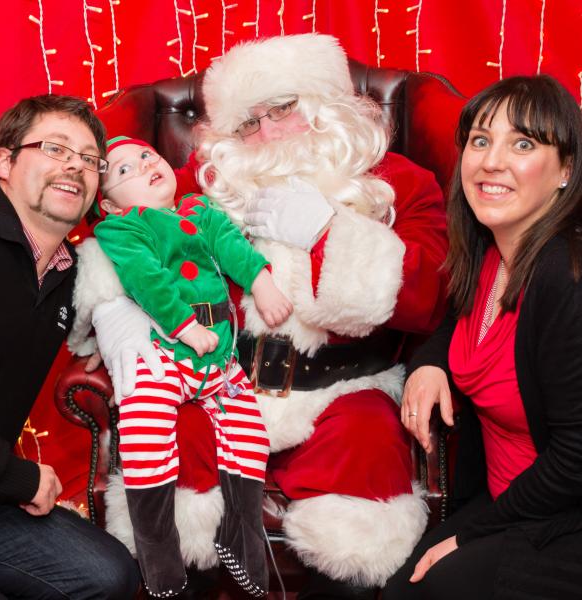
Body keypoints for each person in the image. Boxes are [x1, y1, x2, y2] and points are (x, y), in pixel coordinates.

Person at [70, 34, 449, 599]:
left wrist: (329, 231)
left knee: (367, 474)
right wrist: (118, 323)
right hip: (218, 381)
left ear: (326, 106)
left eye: (282, 110)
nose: (267, 135)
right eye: (247, 124)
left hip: (343, 391)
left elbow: (430, 296)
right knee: (168, 462)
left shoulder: (398, 183)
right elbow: (129, 238)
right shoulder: (211, 181)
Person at [384, 74, 582, 600]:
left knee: (427, 590)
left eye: (523, 143)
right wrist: (430, 362)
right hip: (504, 499)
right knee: (400, 588)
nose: (491, 161)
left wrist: (473, 534)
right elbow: (464, 324)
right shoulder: (492, 252)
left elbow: (577, 456)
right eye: (480, 140)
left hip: (560, 516)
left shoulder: (566, 276)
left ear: (565, 170)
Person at [92, 135, 292, 597]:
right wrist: (183, 325)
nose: (143, 166)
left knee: (249, 435)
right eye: (124, 171)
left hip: (219, 358)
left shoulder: (198, 210)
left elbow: (230, 245)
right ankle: (157, 550)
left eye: (146, 155)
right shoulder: (123, 229)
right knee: (145, 428)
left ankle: (239, 538)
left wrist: (260, 281)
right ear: (109, 205)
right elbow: (145, 276)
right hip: (168, 351)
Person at [0, 96, 140, 599]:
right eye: (54, 148)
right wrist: (18, 477)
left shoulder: (70, 273)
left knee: (107, 573)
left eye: (90, 159)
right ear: (4, 162)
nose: (75, 164)